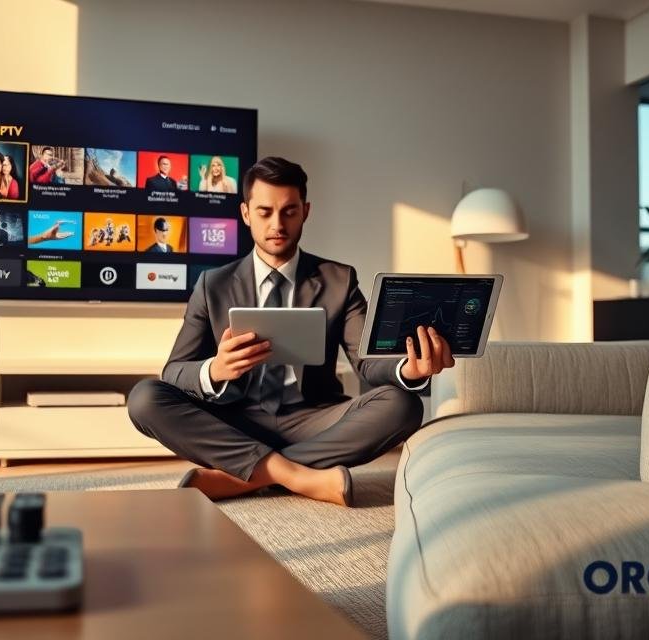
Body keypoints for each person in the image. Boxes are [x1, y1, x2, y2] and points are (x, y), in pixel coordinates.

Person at [127, 156, 454, 507]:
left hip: (315, 418)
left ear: (306, 211)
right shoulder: (213, 284)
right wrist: (215, 370)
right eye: (265, 212)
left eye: (289, 211)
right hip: (235, 419)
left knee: (403, 404)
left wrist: (408, 370)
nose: (277, 224)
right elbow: (175, 371)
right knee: (145, 398)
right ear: (246, 213)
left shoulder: (339, 280)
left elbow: (368, 362)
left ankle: (246, 475)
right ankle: (293, 474)